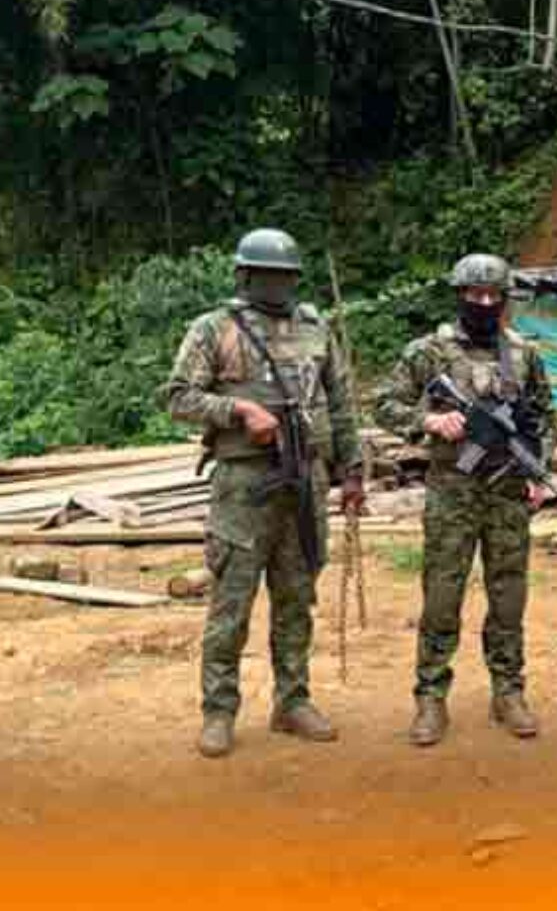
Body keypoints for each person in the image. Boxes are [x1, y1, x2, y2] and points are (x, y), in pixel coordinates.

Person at [162, 228, 366, 759]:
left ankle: (292, 700)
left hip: (306, 481)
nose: (278, 285)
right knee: (231, 602)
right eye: (267, 275)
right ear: (245, 275)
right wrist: (239, 411)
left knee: (297, 598)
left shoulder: (316, 329)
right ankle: (219, 711)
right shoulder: (216, 329)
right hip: (245, 486)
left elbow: (341, 404)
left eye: (286, 276)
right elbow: (178, 396)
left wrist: (353, 474)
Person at [375, 253, 552, 746]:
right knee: (442, 594)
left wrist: (540, 467)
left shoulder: (523, 354)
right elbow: (385, 403)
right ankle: (430, 696)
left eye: (494, 296)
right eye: (476, 295)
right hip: (452, 487)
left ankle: (508, 691)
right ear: (460, 296)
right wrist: (429, 421)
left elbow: (542, 416)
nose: (485, 303)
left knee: (509, 594)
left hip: (508, 491)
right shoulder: (428, 351)